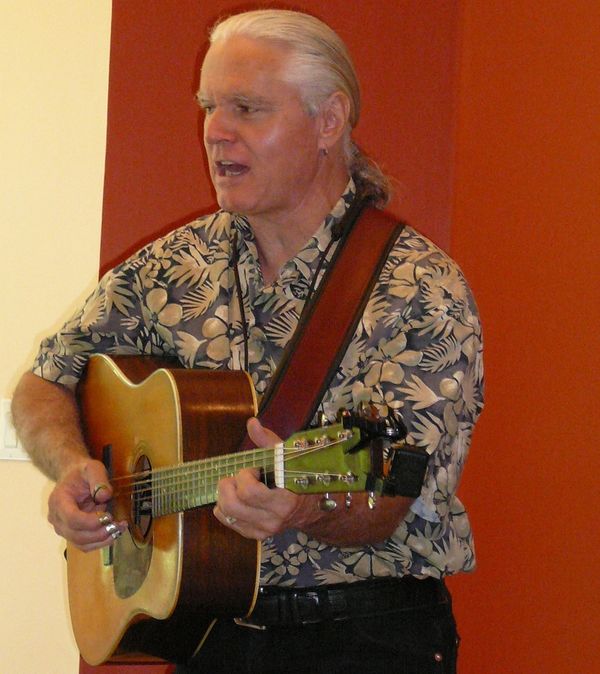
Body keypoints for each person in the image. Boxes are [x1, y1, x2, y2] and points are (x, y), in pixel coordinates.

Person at [12, 9, 483, 674]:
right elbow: (44, 383)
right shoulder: (172, 266)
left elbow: (393, 492)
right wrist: (72, 468)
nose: (215, 131)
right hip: (214, 635)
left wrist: (306, 508)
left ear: (329, 121)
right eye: (209, 106)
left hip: (366, 636)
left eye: (247, 108)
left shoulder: (417, 287)